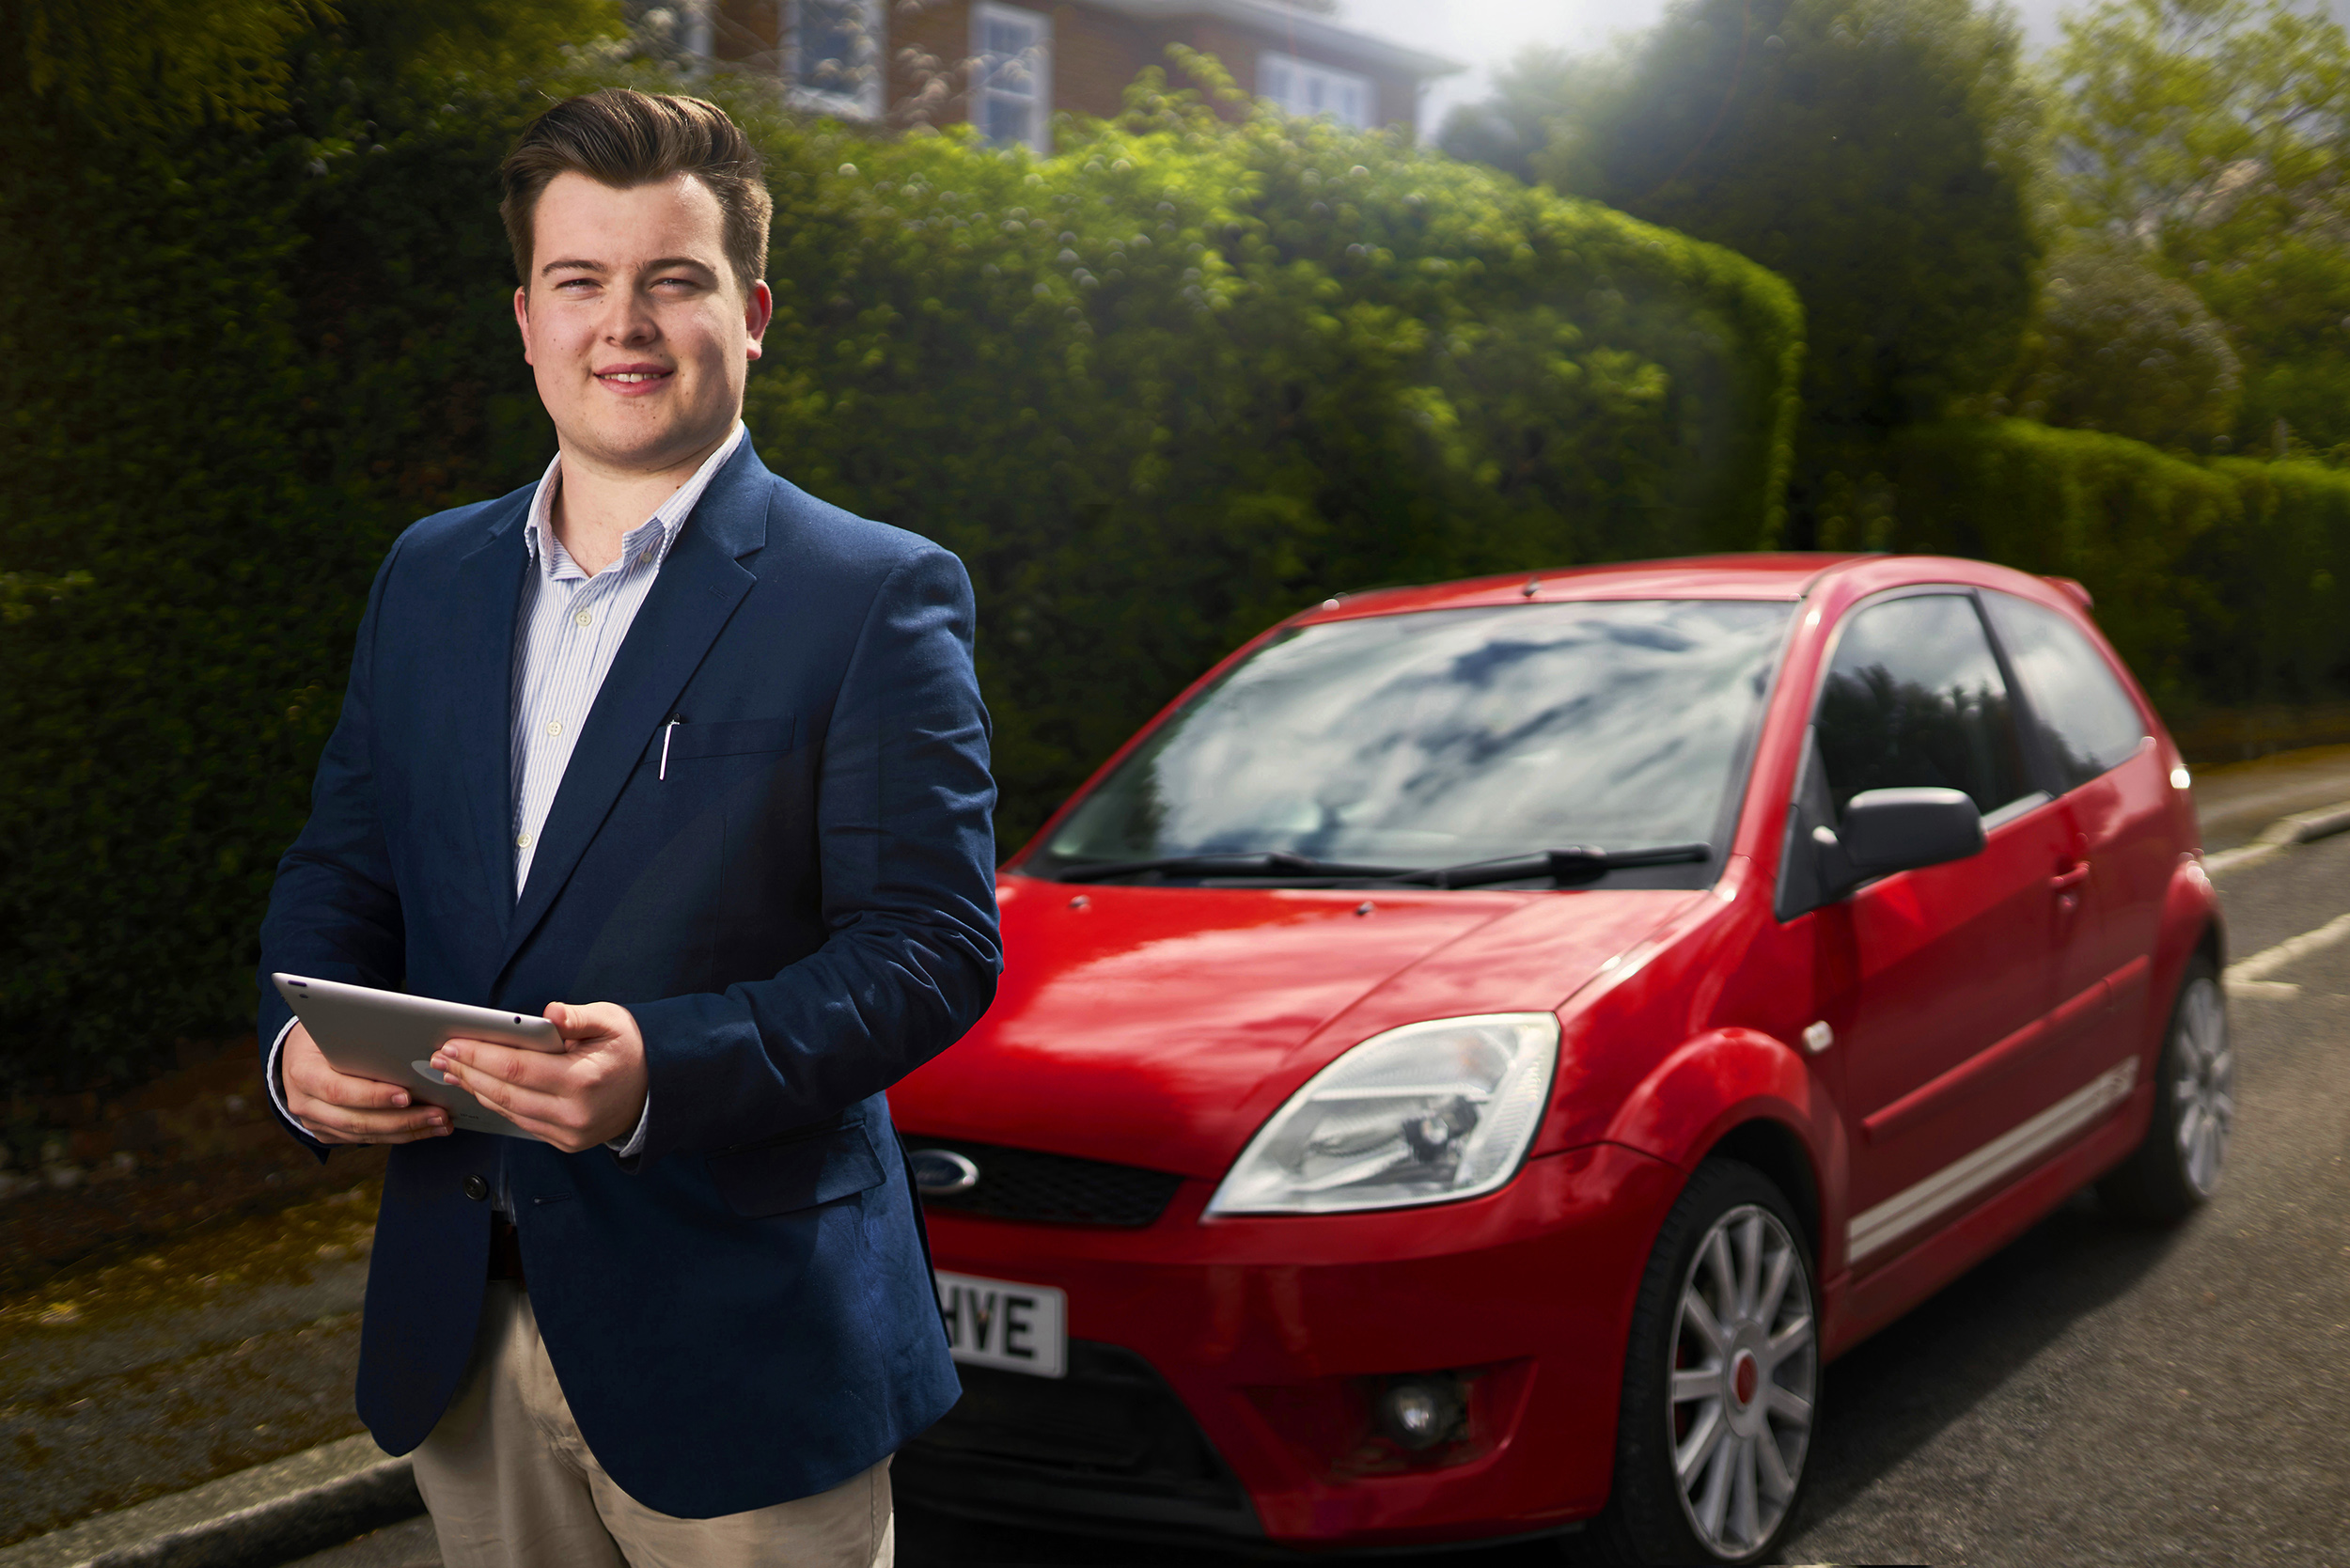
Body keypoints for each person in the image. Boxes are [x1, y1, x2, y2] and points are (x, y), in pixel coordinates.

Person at [255, 87, 998, 1568]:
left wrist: (669, 1069)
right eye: (581, 283)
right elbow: (342, 870)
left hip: (749, 1343)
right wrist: (293, 1055)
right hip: (463, 1321)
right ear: (526, 318)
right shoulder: (429, 575)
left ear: (754, 310)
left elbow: (929, 950)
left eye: (674, 279)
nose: (626, 326)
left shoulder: (873, 591)